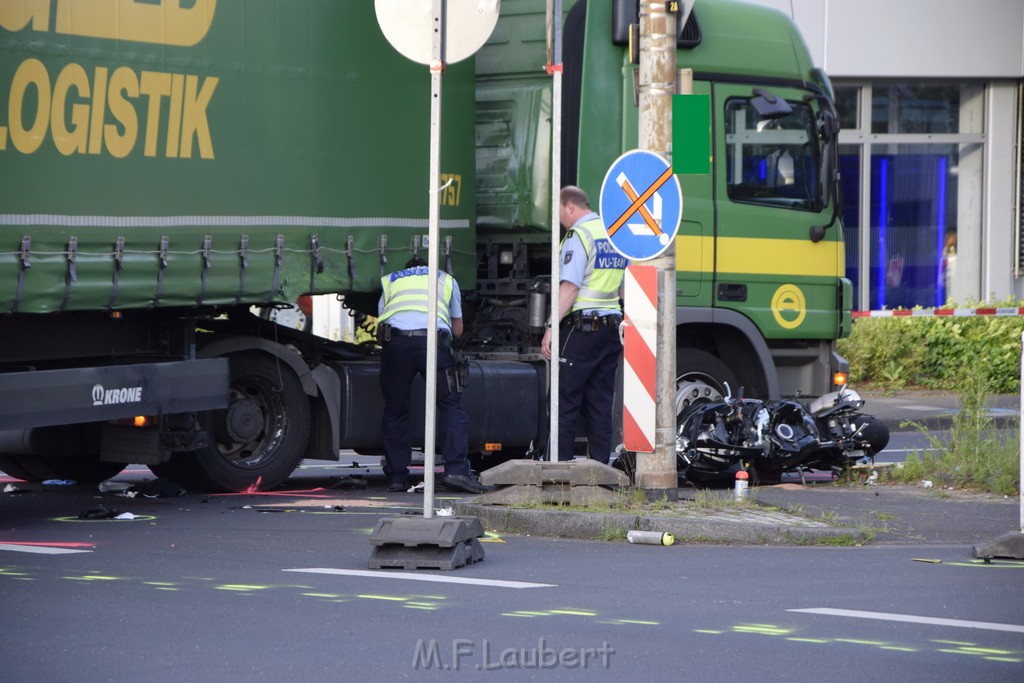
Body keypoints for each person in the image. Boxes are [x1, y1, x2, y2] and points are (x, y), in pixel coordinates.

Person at [377, 258, 488, 494]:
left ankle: (396, 478)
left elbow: (383, 317)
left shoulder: (391, 281)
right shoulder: (445, 279)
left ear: (407, 268)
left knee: (395, 409)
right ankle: (456, 471)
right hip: (433, 344)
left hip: (395, 343)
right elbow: (457, 330)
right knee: (450, 406)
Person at [540, 186, 627, 463]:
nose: (560, 219)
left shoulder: (580, 235)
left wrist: (552, 326)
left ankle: (559, 470)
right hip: (612, 327)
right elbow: (624, 287)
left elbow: (570, 288)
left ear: (569, 206)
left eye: (559, 212)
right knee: (600, 404)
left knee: (563, 402)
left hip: (582, 329)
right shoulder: (614, 235)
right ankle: (601, 472)